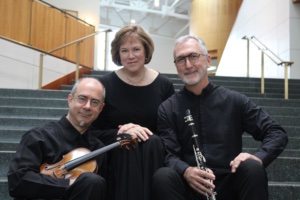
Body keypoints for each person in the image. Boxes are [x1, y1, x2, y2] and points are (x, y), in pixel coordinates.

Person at [152, 35, 288, 200]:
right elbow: (169, 154)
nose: (188, 64)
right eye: (181, 59)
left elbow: (276, 132)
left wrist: (258, 157)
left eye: (193, 56)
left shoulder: (234, 100)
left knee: (252, 167)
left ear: (208, 60)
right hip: (190, 184)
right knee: (163, 176)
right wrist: (186, 171)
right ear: (176, 66)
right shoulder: (168, 108)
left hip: (230, 182)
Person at [91, 24, 175, 200]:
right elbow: (94, 130)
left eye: (136, 49)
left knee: (151, 142)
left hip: (152, 151)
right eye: (124, 51)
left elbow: (170, 130)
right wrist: (124, 131)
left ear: (146, 51)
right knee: (127, 142)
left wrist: (141, 133)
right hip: (117, 151)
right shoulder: (105, 84)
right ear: (118, 54)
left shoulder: (164, 85)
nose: (130, 56)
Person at [7, 77, 107, 200]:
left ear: (100, 108)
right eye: (82, 98)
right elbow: (17, 182)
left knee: (93, 181)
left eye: (94, 102)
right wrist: (69, 184)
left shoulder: (98, 149)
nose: (87, 106)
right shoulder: (39, 136)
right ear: (70, 99)